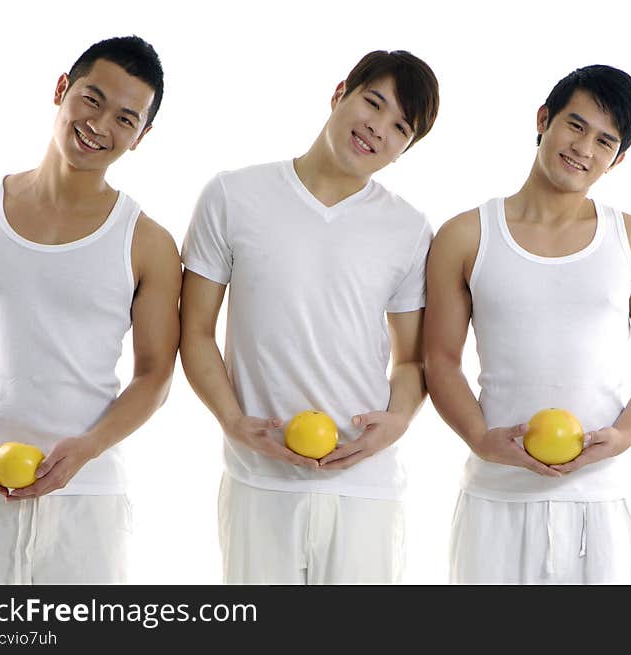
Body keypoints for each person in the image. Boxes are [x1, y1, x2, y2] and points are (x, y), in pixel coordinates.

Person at [180, 50, 439, 584]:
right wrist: (232, 420)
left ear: (405, 149)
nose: (378, 130)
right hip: (258, 480)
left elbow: (413, 359)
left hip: (364, 484)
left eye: (399, 129)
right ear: (340, 91)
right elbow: (196, 331)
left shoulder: (408, 229)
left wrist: (397, 422)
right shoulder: (232, 194)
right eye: (373, 103)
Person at [424, 65, 631, 584]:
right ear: (544, 119)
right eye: (576, 125)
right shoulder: (464, 235)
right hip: (494, 500)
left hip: (597, 506)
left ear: (619, 159)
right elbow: (439, 360)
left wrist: (625, 434)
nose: (584, 148)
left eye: (605, 141)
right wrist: (480, 438)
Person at [0, 35, 181, 584]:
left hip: (89, 501)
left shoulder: (148, 243)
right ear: (61, 90)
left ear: (141, 136)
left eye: (126, 118)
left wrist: (88, 449)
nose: (100, 125)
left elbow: (155, 376)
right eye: (92, 100)